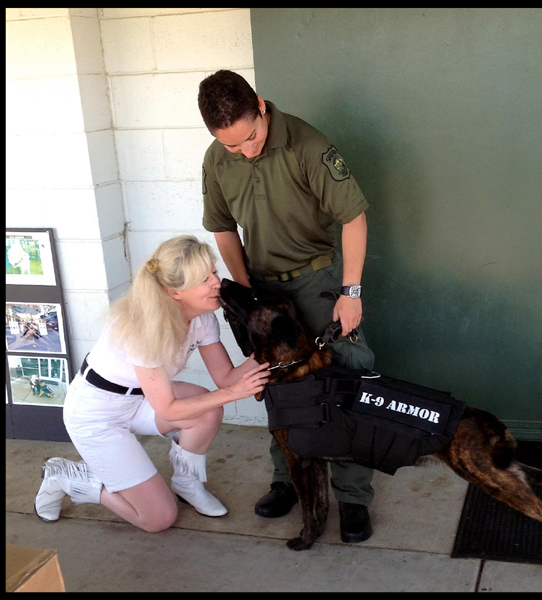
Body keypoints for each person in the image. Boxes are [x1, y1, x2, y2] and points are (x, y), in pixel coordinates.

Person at [198, 70, 376, 543]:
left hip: (316, 279)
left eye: (251, 138)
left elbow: (353, 217)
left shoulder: (308, 145)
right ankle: (287, 481)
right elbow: (221, 228)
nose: (246, 151)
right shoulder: (217, 158)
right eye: (233, 146)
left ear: (260, 105)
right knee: (274, 384)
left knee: (349, 373)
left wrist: (351, 291)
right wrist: (243, 290)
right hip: (260, 286)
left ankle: (353, 498)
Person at [34, 235, 270, 533]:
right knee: (157, 519)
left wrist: (271, 348)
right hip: (97, 416)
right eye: (203, 279)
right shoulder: (144, 327)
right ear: (174, 292)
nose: (216, 283)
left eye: (213, 272)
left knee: (208, 409)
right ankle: (70, 477)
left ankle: (187, 483)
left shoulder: (202, 319)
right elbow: (170, 409)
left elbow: (225, 378)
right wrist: (233, 393)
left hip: (140, 401)